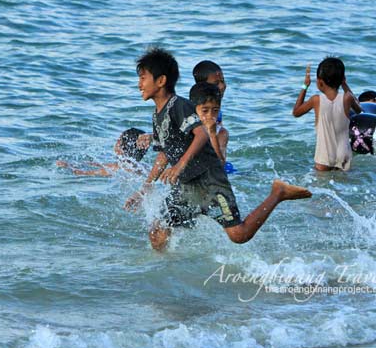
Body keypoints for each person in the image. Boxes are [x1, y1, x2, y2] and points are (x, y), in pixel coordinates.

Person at [125, 47, 311, 251]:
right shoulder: (157, 115)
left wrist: (179, 166)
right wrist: (145, 188)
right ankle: (166, 273)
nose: (139, 84)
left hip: (210, 180)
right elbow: (163, 153)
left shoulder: (179, 106)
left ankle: (278, 192)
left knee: (239, 235)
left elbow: (202, 134)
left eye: (143, 78)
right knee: (157, 232)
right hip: (186, 185)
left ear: (161, 81)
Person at [292, 57, 362, 171]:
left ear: (320, 82)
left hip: (323, 158)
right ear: (342, 79)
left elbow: (296, 112)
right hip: (343, 156)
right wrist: (344, 85)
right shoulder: (347, 98)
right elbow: (360, 110)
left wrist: (305, 86)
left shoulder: (316, 100)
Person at [57, 128, 149, 176]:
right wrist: (77, 163)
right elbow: (104, 165)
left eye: (118, 140)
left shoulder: (121, 169)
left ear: (121, 146)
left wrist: (68, 167)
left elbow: (84, 174)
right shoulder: (143, 167)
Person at [189, 82, 228, 163]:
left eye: (215, 110)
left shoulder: (221, 133)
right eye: (205, 111)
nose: (210, 115)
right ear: (192, 108)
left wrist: (212, 135)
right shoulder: (187, 128)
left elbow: (220, 163)